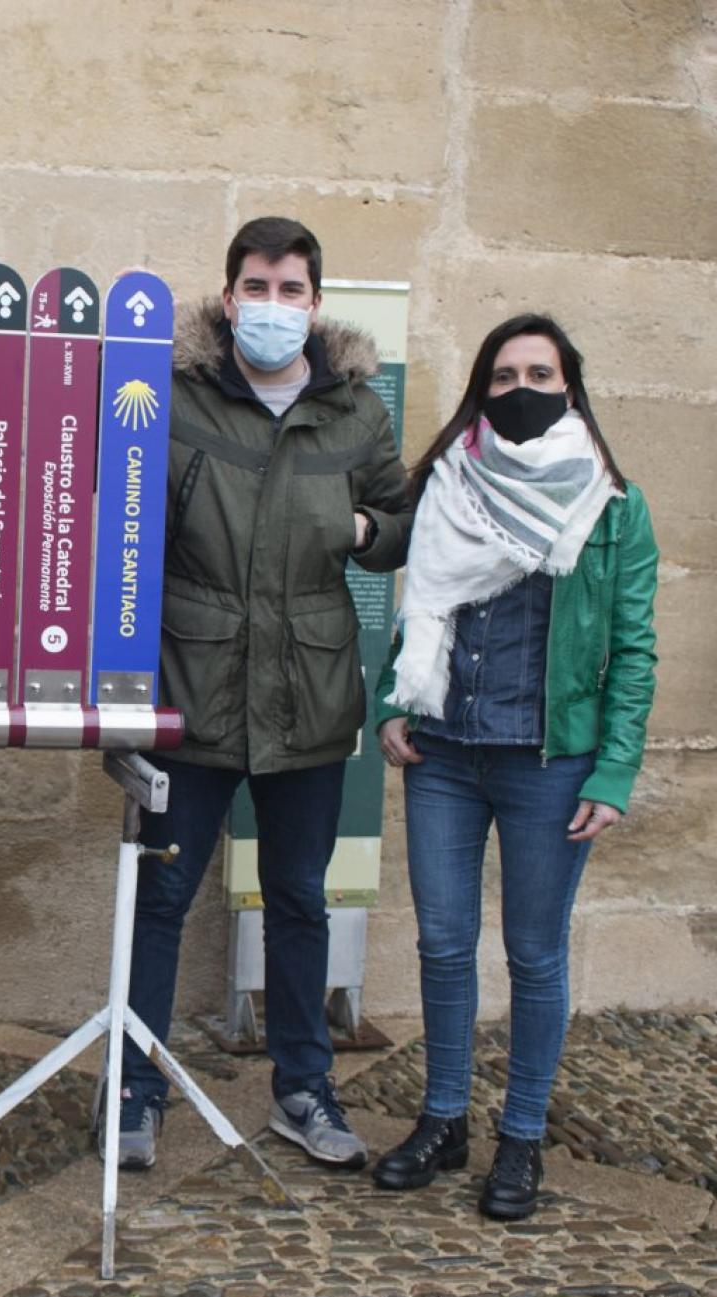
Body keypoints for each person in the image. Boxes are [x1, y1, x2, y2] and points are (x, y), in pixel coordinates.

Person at [115, 217, 413, 1171]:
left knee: (298, 900)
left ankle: (303, 1089)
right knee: (158, 900)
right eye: (256, 286)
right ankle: (134, 1091)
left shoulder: (356, 411)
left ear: (316, 302)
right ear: (228, 293)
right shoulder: (176, 393)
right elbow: (123, 509)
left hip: (309, 692)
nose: (272, 306)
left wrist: (361, 523)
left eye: (291, 290)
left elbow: (401, 520)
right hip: (189, 687)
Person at [369, 313, 658, 1220]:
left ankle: (522, 1137)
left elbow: (634, 651)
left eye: (540, 373)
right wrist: (392, 702)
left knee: (534, 955)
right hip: (446, 753)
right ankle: (444, 1120)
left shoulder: (612, 505)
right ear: (480, 390)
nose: (521, 390)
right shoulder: (448, 481)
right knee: (443, 945)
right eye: (503, 376)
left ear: (570, 387)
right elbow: (421, 603)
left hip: (550, 764)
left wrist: (613, 773)